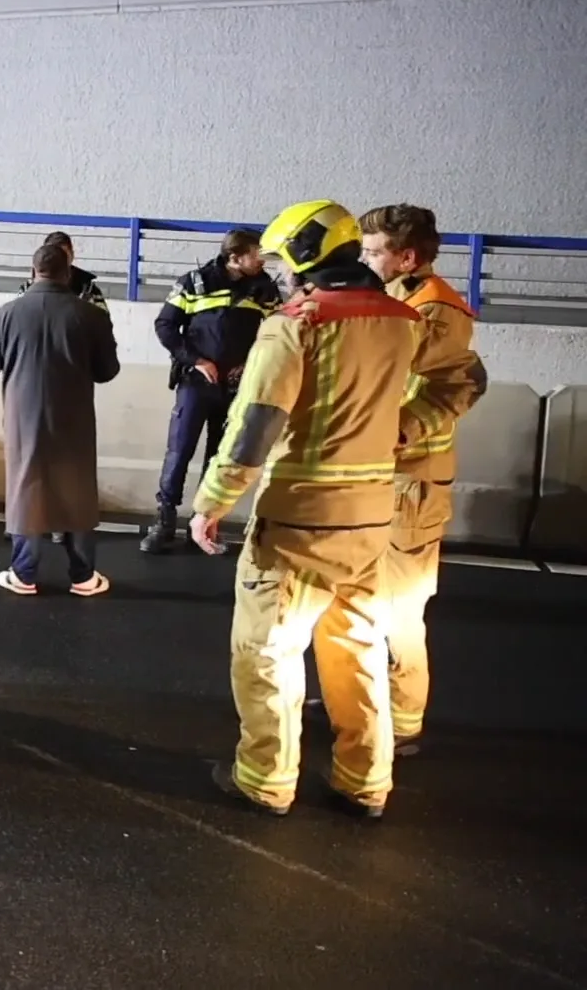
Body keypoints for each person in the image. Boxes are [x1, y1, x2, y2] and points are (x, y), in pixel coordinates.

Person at [189, 199, 423, 820]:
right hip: (374, 518)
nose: (278, 276)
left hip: (299, 519)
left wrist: (212, 501)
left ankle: (265, 778)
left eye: (281, 262)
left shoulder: (297, 323)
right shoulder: (402, 319)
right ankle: (364, 781)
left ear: (305, 255)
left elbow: (255, 425)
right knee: (357, 654)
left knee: (266, 651)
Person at [359, 204, 488, 756]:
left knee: (400, 608)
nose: (365, 259)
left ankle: (404, 719)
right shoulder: (400, 300)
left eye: (373, 251)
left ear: (406, 257)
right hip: (380, 474)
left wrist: (403, 431)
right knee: (362, 597)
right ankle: (362, 695)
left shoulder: (437, 310)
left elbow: (461, 383)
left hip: (412, 481)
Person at [0, 242, 121, 596]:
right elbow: (107, 371)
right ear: (68, 272)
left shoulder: (6, 314)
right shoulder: (91, 315)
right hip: (74, 419)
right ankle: (83, 576)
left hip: (24, 418)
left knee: (27, 486)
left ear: (32, 271)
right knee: (78, 489)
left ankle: (24, 574)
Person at [139, 229, 282, 553]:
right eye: (256, 255)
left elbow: (277, 332)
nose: (262, 261)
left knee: (220, 456)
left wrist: (251, 363)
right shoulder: (194, 282)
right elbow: (165, 326)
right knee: (179, 451)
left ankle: (204, 525)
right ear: (235, 257)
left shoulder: (265, 289)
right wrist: (197, 360)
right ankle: (163, 523)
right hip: (195, 383)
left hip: (236, 387)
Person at [21, 230, 109, 311]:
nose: (59, 260)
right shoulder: (28, 288)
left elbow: (103, 321)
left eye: (64, 255)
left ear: (72, 255)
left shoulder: (88, 289)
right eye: (53, 255)